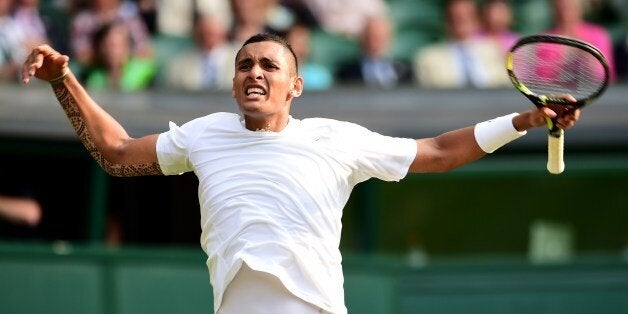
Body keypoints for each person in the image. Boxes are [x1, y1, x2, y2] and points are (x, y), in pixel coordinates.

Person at [22, 33, 580, 313]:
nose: (254, 73)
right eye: (244, 65)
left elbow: (435, 151)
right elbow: (115, 154)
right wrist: (62, 81)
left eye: (270, 65)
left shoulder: (335, 140)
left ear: (296, 84)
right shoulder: (204, 133)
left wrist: (524, 119)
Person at [413, 0, 510, 89]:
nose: (461, 23)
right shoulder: (428, 57)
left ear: (476, 20)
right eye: (455, 18)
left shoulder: (493, 51)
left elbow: (504, 88)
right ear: (446, 21)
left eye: (466, 17)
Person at [547, 0, 616, 82]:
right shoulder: (544, 39)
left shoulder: (598, 35)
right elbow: (540, 79)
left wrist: (585, 54)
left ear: (580, 9)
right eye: (560, 7)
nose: (564, 13)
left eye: (570, 7)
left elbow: (606, 76)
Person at [164, 14, 236, 91]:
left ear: (225, 32)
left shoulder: (242, 59)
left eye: (212, 32)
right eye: (204, 31)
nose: (207, 36)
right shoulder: (179, 65)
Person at [81, 21, 157, 92]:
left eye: (115, 45)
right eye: (105, 45)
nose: (110, 50)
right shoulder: (91, 74)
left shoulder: (146, 73)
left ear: (128, 47)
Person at [336, 15, 410, 89]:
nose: (374, 42)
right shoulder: (347, 73)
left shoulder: (403, 70)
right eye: (370, 37)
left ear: (389, 38)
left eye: (379, 37)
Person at [285, 22, 333, 90]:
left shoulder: (321, 75)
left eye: (304, 43)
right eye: (297, 43)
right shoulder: (279, 74)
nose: (301, 47)